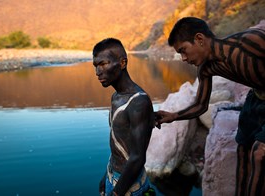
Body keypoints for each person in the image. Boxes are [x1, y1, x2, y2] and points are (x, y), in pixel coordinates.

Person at [155, 17, 265, 196]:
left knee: (260, 153)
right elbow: (200, 105)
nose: (183, 58)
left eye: (183, 51)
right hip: (256, 98)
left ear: (199, 39)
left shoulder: (249, 43)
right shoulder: (206, 69)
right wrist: (173, 116)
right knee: (243, 147)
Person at [93, 38, 156, 196]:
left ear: (122, 63)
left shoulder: (138, 102)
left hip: (129, 187)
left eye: (103, 64)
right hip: (113, 176)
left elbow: (137, 157)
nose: (97, 72)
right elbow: (119, 141)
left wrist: (116, 193)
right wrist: (106, 176)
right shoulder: (116, 97)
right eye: (96, 66)